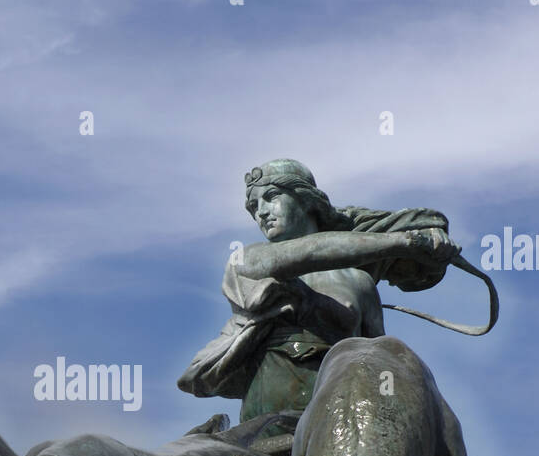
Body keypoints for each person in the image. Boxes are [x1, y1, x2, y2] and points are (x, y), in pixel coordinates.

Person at [178, 159, 460, 421]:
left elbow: (380, 362)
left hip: (344, 421)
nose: (261, 212)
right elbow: (313, 250)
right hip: (266, 426)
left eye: (271, 197)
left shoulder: (359, 283)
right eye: (253, 207)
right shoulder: (247, 260)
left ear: (306, 201)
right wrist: (405, 242)